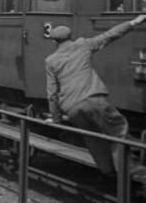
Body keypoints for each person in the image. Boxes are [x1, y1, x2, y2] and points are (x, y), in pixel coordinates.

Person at [45, 14, 146, 176]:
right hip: (93, 99)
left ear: (54, 41)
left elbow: (52, 93)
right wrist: (133, 22)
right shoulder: (82, 45)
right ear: (71, 36)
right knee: (118, 130)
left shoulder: (51, 60)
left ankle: (107, 169)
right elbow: (110, 35)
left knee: (92, 136)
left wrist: (55, 118)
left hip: (71, 107)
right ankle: (131, 170)